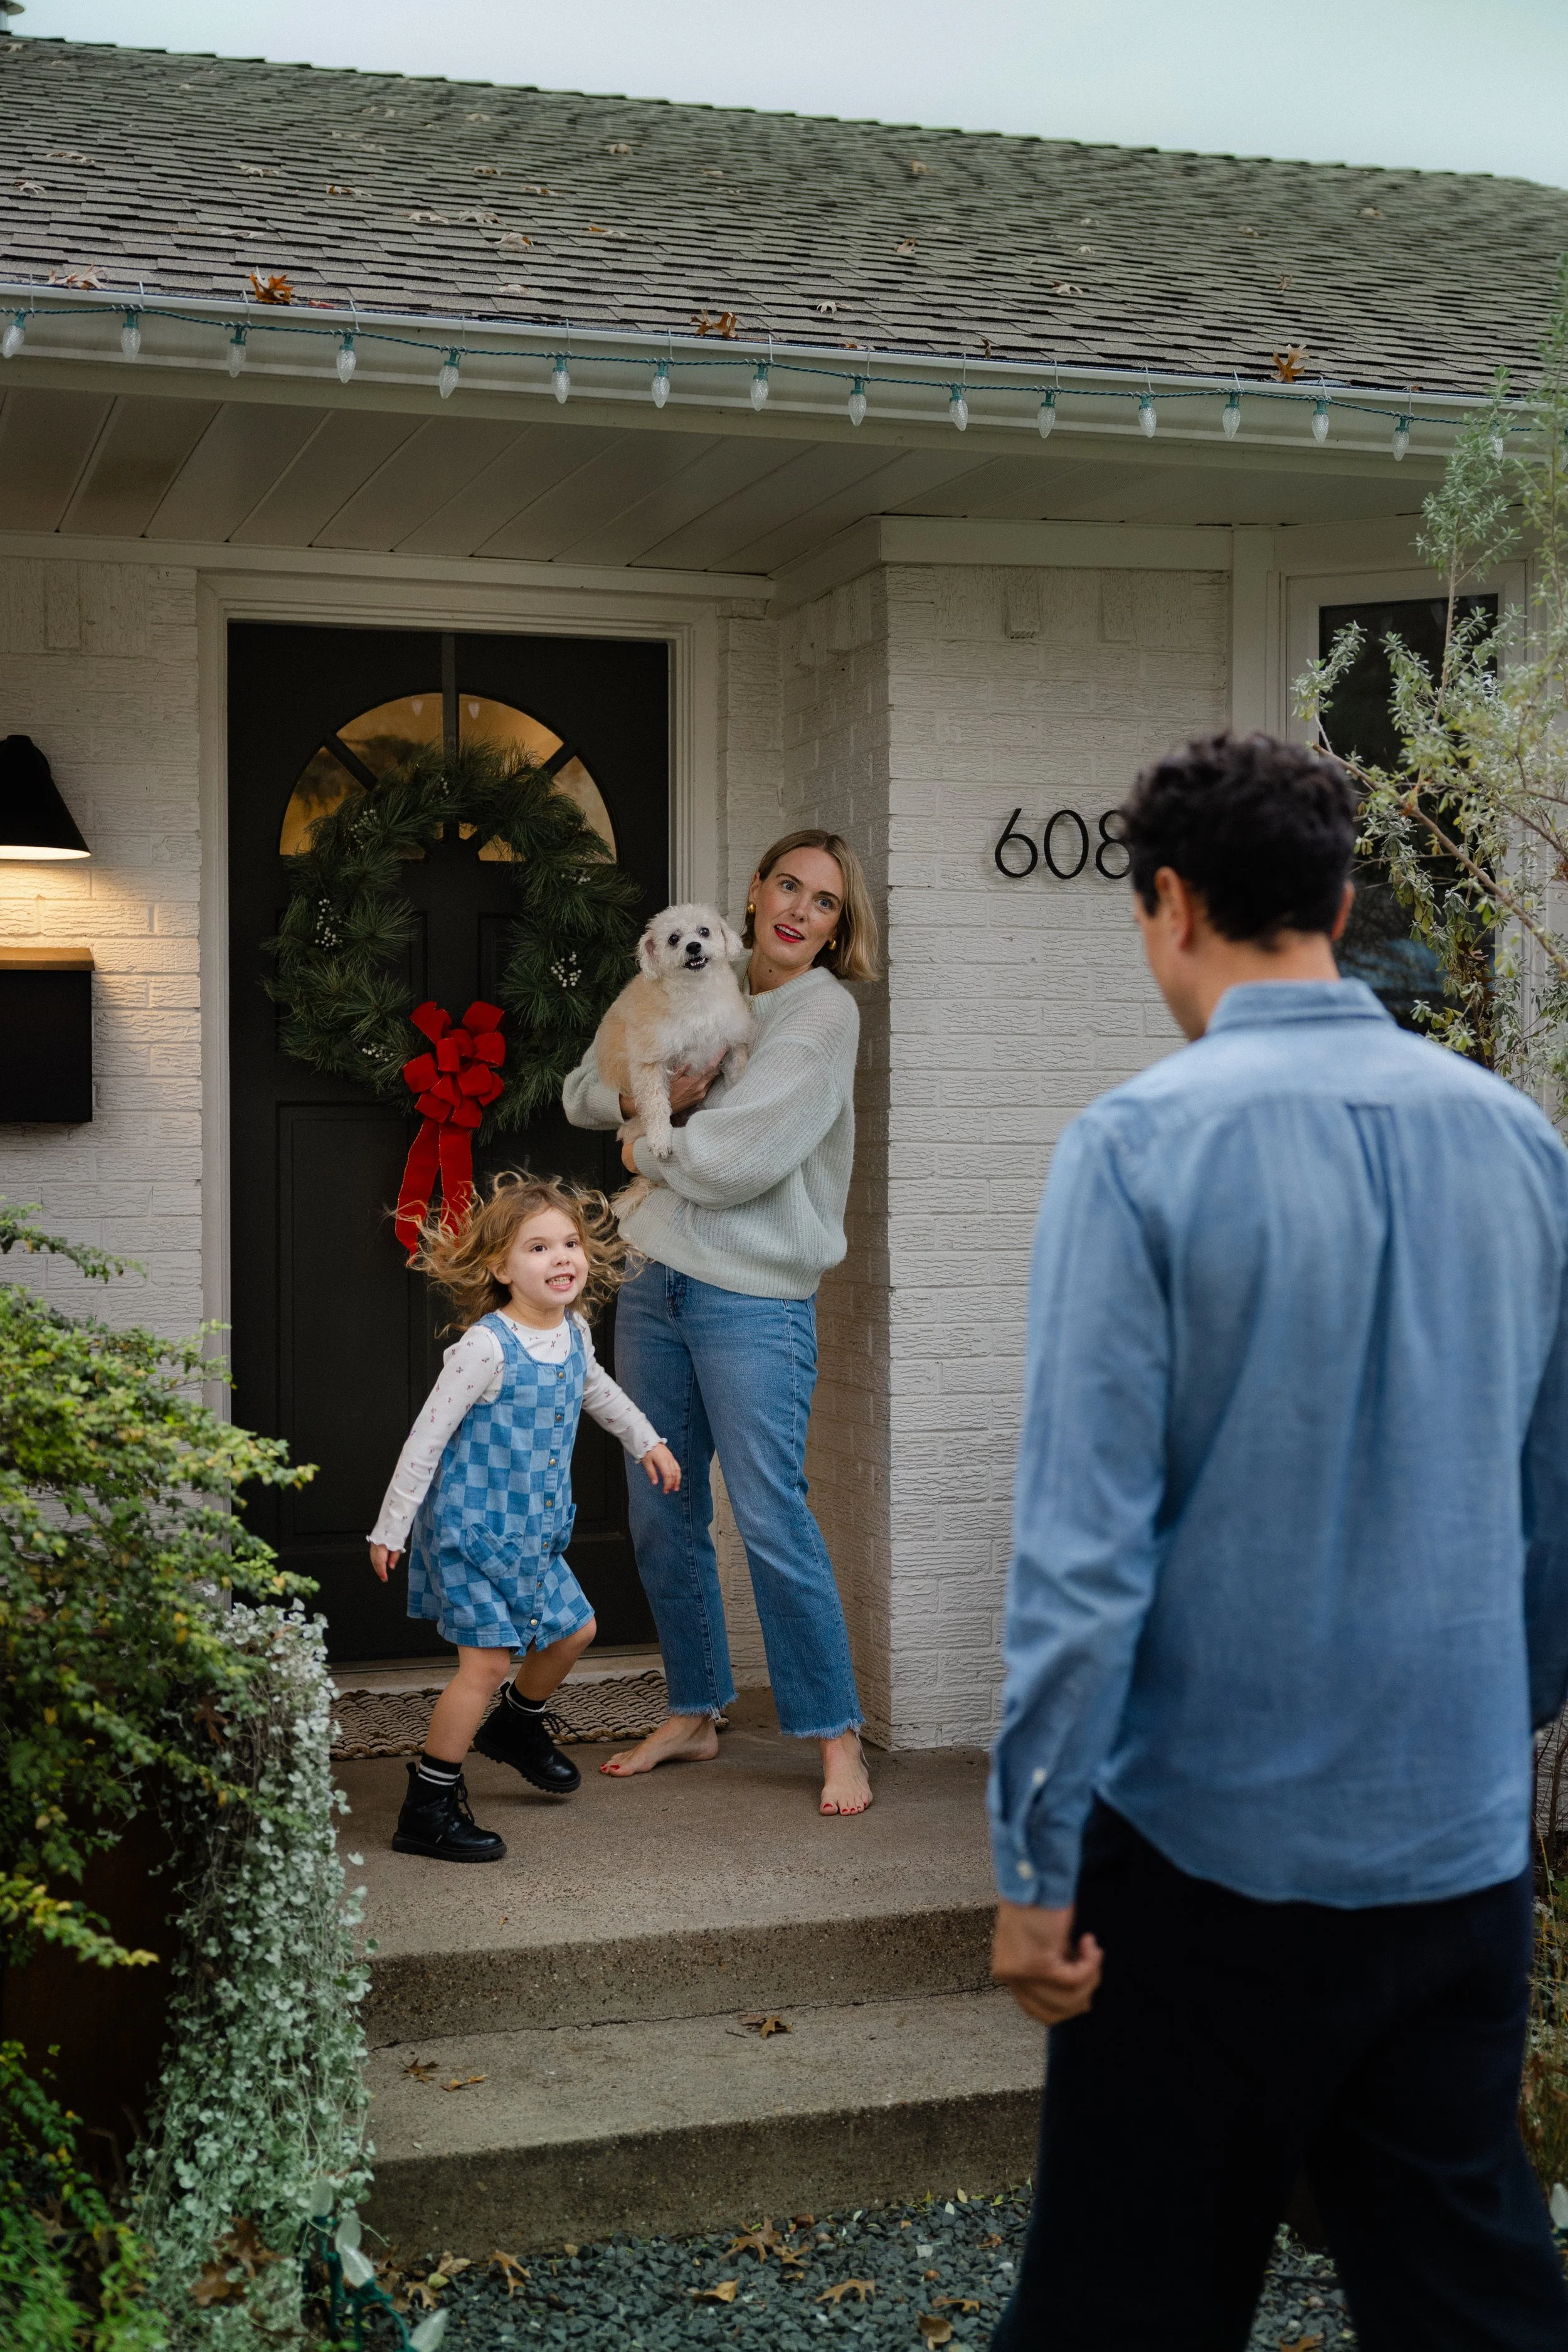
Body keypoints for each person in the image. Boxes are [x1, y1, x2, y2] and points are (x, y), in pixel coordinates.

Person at [988, 731, 1568, 2351]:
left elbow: (1080, 1554)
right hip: (1455, 1850)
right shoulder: (1519, 1140)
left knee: (1125, 2297)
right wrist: (1476, 1728)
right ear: (1333, 896)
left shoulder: (1135, 1144)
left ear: (1167, 901)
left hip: (1198, 1861)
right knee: (1468, 2294)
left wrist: (1034, 1860)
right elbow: (1553, 1502)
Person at [563, 829, 879, 1817]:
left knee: (771, 1512)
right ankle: (696, 1709)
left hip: (751, 1294)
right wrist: (637, 1104)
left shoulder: (821, 1014)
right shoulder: (673, 982)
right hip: (656, 1277)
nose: (798, 909)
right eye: (788, 884)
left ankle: (837, 1738)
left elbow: (744, 1161)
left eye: (823, 901)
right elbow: (584, 1091)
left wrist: (645, 1146)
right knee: (660, 1512)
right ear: (754, 894)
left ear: (836, 929)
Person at [367, 1173, 680, 1863]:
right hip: (471, 1535)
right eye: (538, 1248)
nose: (562, 1258)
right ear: (499, 1268)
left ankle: (515, 1727)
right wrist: (390, 1527)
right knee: (485, 1665)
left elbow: (598, 1391)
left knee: (576, 1631)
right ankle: (427, 1806)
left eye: (569, 1243)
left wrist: (648, 1440)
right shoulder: (486, 1347)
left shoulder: (573, 1333)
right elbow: (426, 1438)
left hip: (531, 1536)